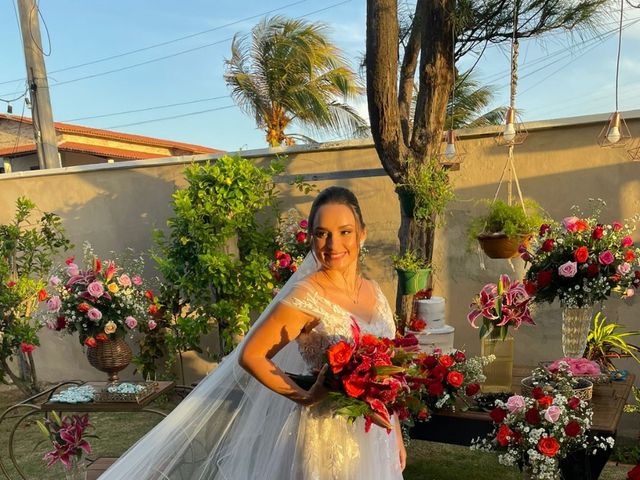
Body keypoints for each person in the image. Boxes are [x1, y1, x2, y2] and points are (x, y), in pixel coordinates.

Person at [101, 186, 406, 479]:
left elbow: (386, 372)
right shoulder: (306, 296)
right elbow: (251, 355)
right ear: (311, 240)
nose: (332, 244)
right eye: (321, 234)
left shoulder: (375, 293)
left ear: (362, 234)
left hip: (374, 434)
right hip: (327, 436)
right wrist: (304, 397)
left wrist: (396, 438)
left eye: (344, 232)